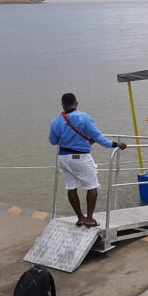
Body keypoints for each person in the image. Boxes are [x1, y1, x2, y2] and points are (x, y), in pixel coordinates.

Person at [48, 93, 127, 227]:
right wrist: (115, 144)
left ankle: (80, 218)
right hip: (81, 158)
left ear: (62, 104)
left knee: (71, 187)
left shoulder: (55, 121)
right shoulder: (83, 117)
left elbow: (53, 141)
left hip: (63, 158)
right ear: (76, 103)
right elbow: (97, 136)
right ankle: (90, 219)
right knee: (92, 186)